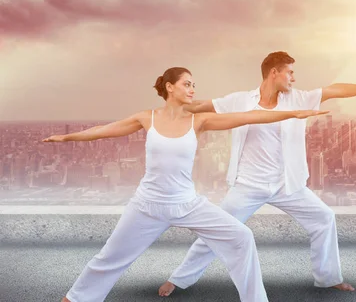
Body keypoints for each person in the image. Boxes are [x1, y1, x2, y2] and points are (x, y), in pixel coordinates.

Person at [43, 66, 328, 302]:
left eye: (194, 85)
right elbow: (103, 131)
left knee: (242, 237)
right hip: (147, 205)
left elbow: (248, 116)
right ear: (169, 87)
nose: (193, 89)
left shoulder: (199, 121)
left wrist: (293, 113)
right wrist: (67, 138)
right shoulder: (147, 118)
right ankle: (75, 298)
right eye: (187, 84)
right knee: (109, 257)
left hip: (188, 204)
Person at [159, 52, 356, 297]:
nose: (293, 78)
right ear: (274, 72)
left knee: (324, 218)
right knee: (218, 230)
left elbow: (334, 90)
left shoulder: (299, 99)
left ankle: (328, 278)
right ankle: (178, 279)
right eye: (290, 72)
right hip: (248, 185)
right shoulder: (241, 100)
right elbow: (201, 106)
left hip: (287, 185)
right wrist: (170, 105)